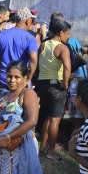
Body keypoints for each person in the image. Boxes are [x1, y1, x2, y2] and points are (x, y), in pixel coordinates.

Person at [37, 18, 71, 160]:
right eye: (67, 34)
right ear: (61, 32)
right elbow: (67, 66)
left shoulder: (43, 45)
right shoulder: (62, 48)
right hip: (56, 86)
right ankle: (51, 151)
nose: (68, 37)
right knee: (55, 119)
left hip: (42, 84)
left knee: (48, 117)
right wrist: (65, 84)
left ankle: (43, 147)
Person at [0, 8, 38, 91]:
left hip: (4, 80)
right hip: (21, 82)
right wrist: (29, 79)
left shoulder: (2, 34)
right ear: (27, 21)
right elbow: (33, 59)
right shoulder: (31, 38)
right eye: (31, 20)